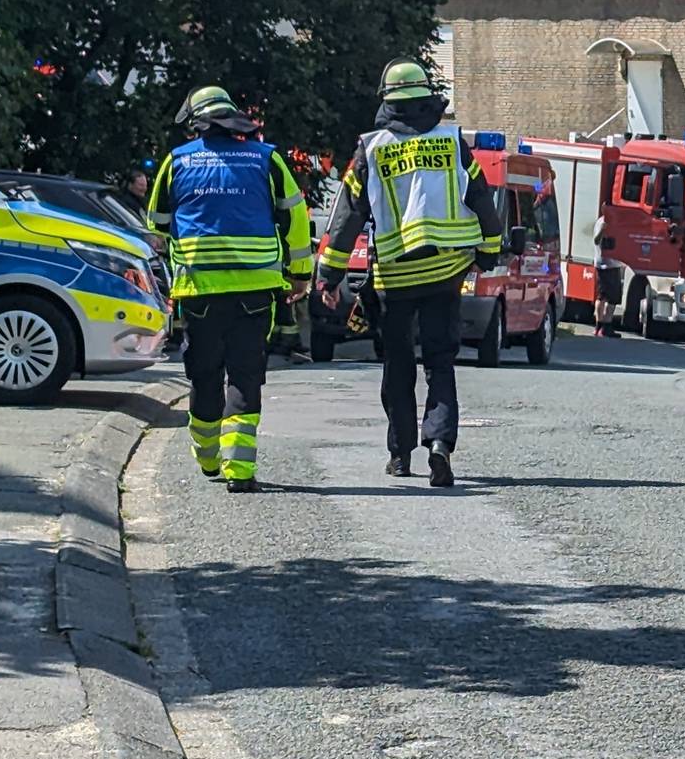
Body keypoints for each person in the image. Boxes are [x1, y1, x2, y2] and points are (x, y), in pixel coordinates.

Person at [320, 61, 504, 487]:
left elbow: (347, 215)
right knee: (440, 361)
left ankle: (400, 454)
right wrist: (488, 255)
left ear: (387, 100)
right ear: (426, 99)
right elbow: (481, 199)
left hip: (395, 279)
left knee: (398, 365)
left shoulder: (372, 146)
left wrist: (328, 276)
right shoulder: (452, 140)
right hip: (445, 273)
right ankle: (439, 444)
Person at [145, 86, 313, 493]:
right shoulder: (267, 159)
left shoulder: (177, 161)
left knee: (204, 376)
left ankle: (206, 457)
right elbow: (295, 217)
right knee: (245, 375)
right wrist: (300, 273)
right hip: (256, 289)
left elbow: (156, 223)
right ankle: (239, 471)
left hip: (199, 291)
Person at [592, 209, 625, 338]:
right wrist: (603, 230)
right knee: (612, 297)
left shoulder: (604, 221)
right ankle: (605, 325)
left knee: (602, 296)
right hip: (609, 264)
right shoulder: (603, 223)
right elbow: (596, 240)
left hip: (606, 263)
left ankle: (599, 326)